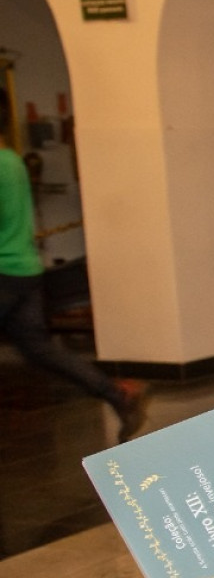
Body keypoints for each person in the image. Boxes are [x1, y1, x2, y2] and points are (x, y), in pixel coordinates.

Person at [0, 141, 146, 440]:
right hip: (24, 268)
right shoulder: (11, 161)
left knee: (40, 349)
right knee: (40, 349)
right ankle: (118, 395)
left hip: (3, 273)